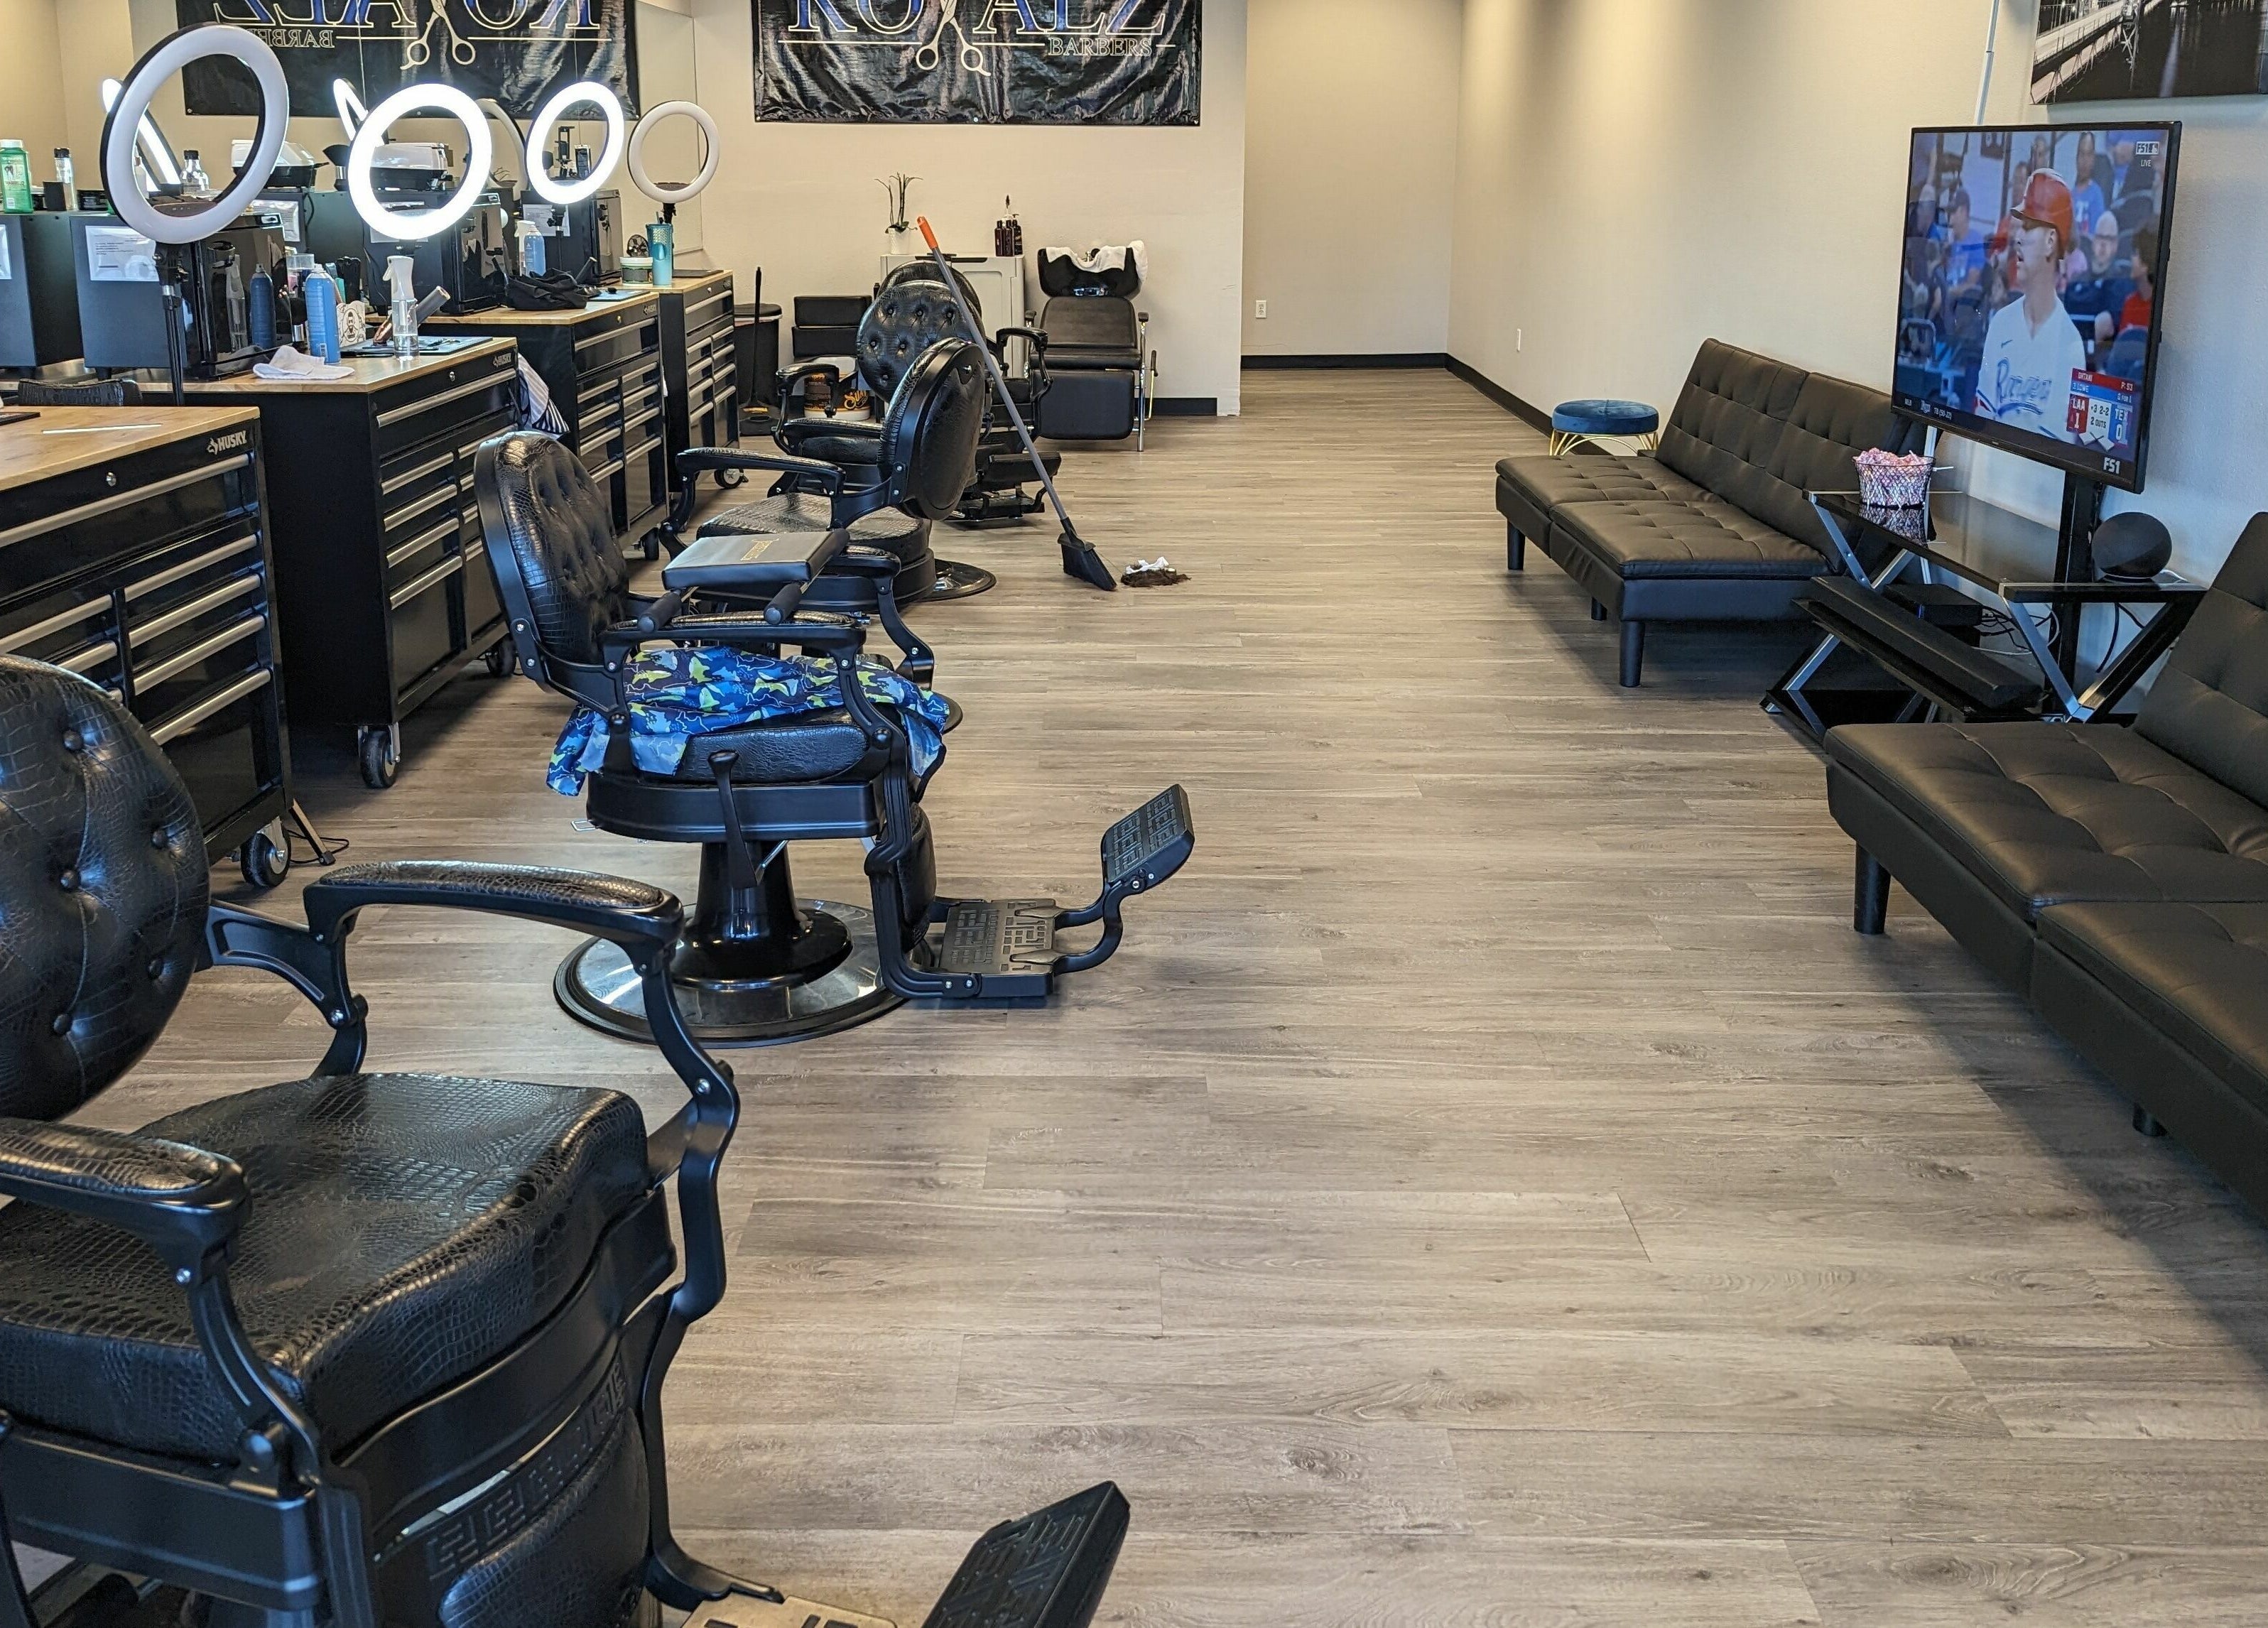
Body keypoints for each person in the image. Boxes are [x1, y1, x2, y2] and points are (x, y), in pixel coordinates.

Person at [1975, 168, 2085, 441]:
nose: (2017, 237)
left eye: (2028, 225)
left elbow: (2055, 452)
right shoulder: (2001, 323)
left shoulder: (2070, 345)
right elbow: (1981, 422)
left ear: (2051, 242)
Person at [2120, 224, 2157, 334]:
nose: (2131, 258)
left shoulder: (2158, 309)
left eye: (2135, 254)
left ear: (2146, 264)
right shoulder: (2129, 303)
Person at [2071, 133, 2105, 234]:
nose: (2085, 161)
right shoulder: (2069, 194)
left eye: (2089, 155)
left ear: (2094, 159)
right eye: (2082, 154)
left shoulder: (2097, 195)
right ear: (2077, 157)